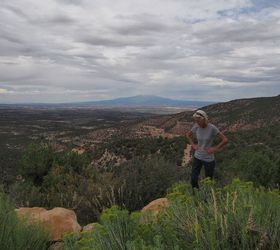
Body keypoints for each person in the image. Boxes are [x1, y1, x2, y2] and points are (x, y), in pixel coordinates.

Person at [186, 110, 228, 190]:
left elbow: (225, 140)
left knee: (208, 182)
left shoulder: (212, 128)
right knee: (193, 180)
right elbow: (188, 135)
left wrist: (215, 148)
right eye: (196, 120)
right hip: (197, 157)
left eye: (198, 120)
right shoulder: (196, 126)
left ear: (204, 119)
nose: (197, 122)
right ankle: (197, 196)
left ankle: (207, 198)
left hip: (208, 159)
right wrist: (193, 145)